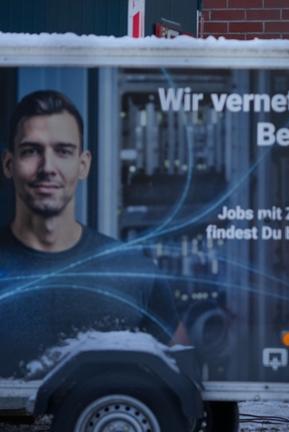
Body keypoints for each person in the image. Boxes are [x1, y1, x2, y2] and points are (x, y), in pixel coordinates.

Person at [0, 90, 181, 377]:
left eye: (63, 151)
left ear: (83, 165)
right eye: (31, 151)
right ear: (9, 164)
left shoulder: (137, 275)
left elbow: (182, 389)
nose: (48, 168)